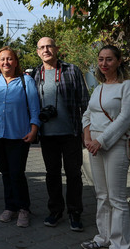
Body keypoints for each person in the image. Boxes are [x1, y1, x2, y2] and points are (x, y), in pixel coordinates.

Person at [81, 45, 130, 249]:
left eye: (109, 59)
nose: (104, 64)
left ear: (119, 61)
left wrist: (101, 141)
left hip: (115, 145)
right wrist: (87, 137)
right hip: (94, 145)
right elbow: (87, 114)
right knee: (101, 195)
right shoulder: (99, 87)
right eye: (101, 59)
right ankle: (103, 238)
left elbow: (124, 119)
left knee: (117, 198)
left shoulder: (127, 86)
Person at [0, 47, 40, 228]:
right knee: (5, 172)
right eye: (2, 59)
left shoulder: (26, 81)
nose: (6, 62)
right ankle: (10, 206)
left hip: (19, 135)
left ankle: (24, 208)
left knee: (17, 173)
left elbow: (35, 108)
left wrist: (34, 129)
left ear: (16, 62)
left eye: (10, 59)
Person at [34, 37, 90, 231]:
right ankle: (55, 210)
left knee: (74, 174)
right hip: (47, 135)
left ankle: (75, 212)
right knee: (52, 174)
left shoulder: (71, 70)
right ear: (38, 52)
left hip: (71, 132)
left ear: (56, 49)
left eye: (49, 46)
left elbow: (84, 101)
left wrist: (86, 131)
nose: (46, 50)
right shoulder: (35, 73)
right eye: (42, 47)